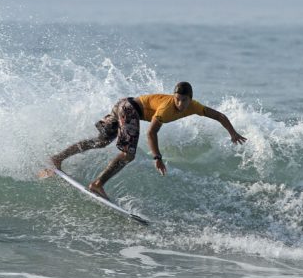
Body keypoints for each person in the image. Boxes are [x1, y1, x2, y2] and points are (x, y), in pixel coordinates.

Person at [43, 82, 247, 199]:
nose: (179, 103)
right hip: (128, 109)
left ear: (190, 99)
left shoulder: (194, 106)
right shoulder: (167, 108)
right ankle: (97, 184)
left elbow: (219, 116)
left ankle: (57, 158)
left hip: (124, 104)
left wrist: (233, 133)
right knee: (128, 154)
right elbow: (151, 133)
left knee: (101, 141)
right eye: (177, 98)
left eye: (183, 100)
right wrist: (157, 157)